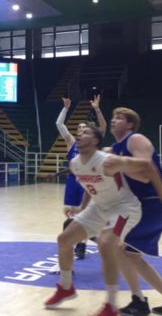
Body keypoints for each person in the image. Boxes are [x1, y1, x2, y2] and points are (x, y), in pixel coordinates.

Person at [44, 125, 162, 316]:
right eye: (79, 132)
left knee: (107, 244)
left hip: (124, 206)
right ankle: (66, 287)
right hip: (98, 208)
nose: (80, 133)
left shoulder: (109, 160)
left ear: (95, 141)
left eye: (86, 132)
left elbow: (146, 165)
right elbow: (88, 185)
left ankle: (111, 305)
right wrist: (82, 208)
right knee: (63, 240)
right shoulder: (75, 163)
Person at [110, 108, 162, 316]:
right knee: (130, 255)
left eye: (118, 118)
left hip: (153, 203)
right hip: (141, 205)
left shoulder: (135, 139)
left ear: (129, 124)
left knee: (117, 247)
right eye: (113, 117)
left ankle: (140, 301)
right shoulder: (116, 147)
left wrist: (117, 164)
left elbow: (145, 174)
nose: (113, 120)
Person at [51, 95, 107, 262]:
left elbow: (103, 126)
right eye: (79, 127)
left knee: (84, 215)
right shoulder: (71, 142)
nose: (81, 129)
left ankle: (85, 242)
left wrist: (96, 108)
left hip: (87, 181)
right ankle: (83, 241)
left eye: (84, 127)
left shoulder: (92, 143)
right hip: (71, 182)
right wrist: (66, 108)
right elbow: (59, 124)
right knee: (71, 215)